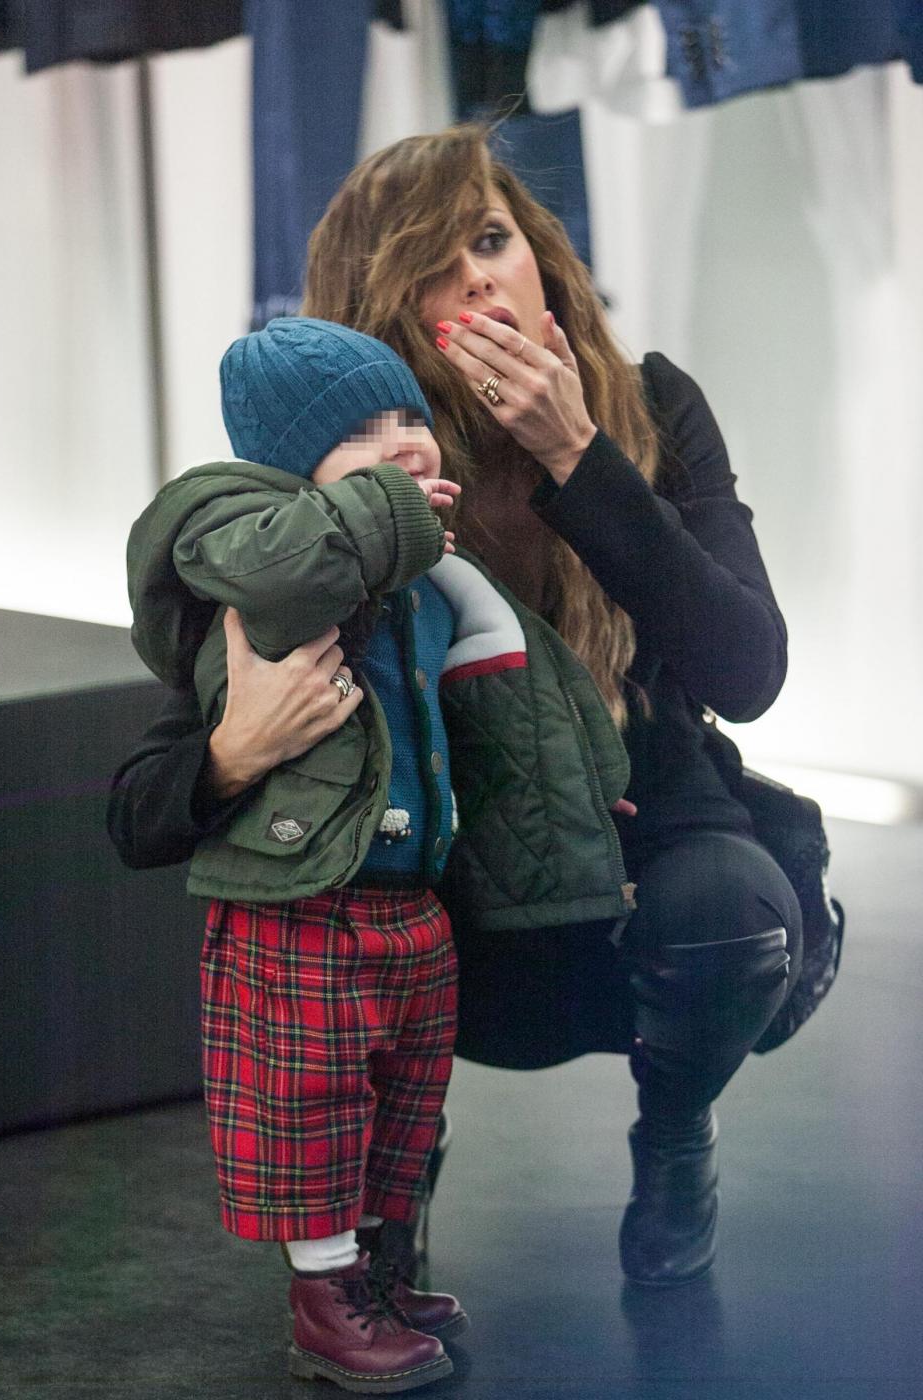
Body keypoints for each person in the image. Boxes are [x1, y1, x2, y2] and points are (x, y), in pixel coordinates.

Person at [109, 123, 802, 1294]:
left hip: (648, 837)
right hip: (442, 881)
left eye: (490, 238)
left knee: (734, 917)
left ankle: (678, 1129)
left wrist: (580, 455)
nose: (478, 279)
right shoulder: (322, 496)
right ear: (378, 316)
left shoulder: (649, 404)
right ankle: (387, 1191)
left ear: (541, 253)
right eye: (435, 265)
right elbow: (142, 801)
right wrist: (234, 753)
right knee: (331, 929)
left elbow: (750, 672)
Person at [122, 316, 635, 1390]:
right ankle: (325, 1299)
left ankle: (377, 1271)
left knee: (402, 1102)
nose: (405, 440)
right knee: (312, 1108)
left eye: (411, 415)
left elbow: (511, 710)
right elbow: (290, 564)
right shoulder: (244, 547)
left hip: (411, 901)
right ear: (287, 466)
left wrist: (578, 793)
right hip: (303, 902)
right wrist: (234, 750)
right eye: (359, 432)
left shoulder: (430, 585)